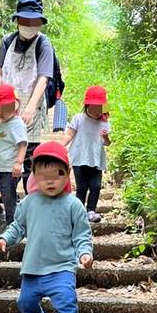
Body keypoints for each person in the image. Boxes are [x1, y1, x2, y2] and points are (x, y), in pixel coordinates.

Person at [0, 142, 93, 313]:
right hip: (33, 266)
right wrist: (4, 239)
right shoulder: (29, 202)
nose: (51, 180)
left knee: (66, 300)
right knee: (25, 301)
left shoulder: (73, 205)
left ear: (68, 174)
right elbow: (18, 226)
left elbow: (82, 234)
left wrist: (84, 253)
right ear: (33, 175)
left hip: (62, 266)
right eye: (43, 176)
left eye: (58, 174)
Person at [0, 0, 54, 192]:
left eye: (34, 22)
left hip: (32, 100)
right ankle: (8, 195)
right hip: (8, 101)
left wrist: (31, 107)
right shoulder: (7, 41)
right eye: (24, 21)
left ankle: (30, 196)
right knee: (3, 146)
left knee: (29, 153)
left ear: (40, 24)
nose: (29, 26)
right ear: (17, 21)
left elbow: (44, 77)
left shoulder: (44, 44)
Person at [0, 83, 27, 237]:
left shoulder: (17, 124)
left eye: (3, 110)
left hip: (9, 171)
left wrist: (18, 163)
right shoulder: (3, 121)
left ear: (14, 106)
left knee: (9, 201)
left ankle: (12, 230)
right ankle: (1, 217)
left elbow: (22, 144)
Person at [65, 86, 111, 224]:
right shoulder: (79, 119)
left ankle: (91, 210)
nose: (97, 112)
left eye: (100, 108)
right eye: (94, 107)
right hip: (79, 158)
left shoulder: (104, 123)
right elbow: (69, 134)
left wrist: (106, 137)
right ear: (87, 105)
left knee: (96, 186)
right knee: (82, 187)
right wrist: (60, 146)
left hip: (96, 159)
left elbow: (107, 144)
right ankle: (79, 212)